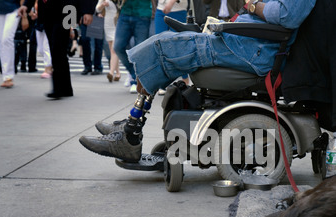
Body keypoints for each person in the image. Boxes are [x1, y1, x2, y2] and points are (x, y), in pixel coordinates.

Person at [79, 0, 317, 162]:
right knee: (164, 39)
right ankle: (131, 123)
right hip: (248, 43)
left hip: (252, 50)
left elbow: (287, 16)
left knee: (163, 47)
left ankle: (130, 134)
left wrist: (253, 5)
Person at [19, 0, 97, 98]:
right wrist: (26, 5)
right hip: (47, 11)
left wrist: (88, 11)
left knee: (57, 47)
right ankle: (67, 88)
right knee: (57, 50)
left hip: (68, 10)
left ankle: (58, 88)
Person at [113, 0, 153, 94]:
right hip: (125, 12)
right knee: (118, 46)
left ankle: (136, 81)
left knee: (140, 50)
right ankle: (134, 74)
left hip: (143, 12)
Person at [155, 0, 189, 95]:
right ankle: (163, 82)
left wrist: (171, 2)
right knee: (160, 45)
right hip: (161, 9)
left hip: (178, 10)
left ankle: (185, 79)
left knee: (178, 46)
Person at [0, 0, 21, 88]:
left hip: (14, 8)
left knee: (7, 39)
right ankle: (6, 76)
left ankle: (9, 76)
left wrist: (25, 16)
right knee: (2, 43)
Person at [96, 0, 121, 82]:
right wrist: (103, 5)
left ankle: (111, 72)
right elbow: (97, 9)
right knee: (112, 50)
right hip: (108, 24)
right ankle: (118, 73)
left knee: (114, 49)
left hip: (118, 22)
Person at [28, 0, 52, 79]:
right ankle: (51, 65)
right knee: (41, 49)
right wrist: (31, 13)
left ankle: (47, 69)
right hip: (39, 23)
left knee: (46, 47)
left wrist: (71, 27)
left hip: (51, 22)